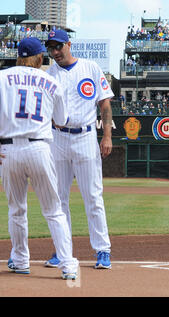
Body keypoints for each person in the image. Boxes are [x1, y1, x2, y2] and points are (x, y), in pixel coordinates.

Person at [0, 37, 79, 279]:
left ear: (18, 56)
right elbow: (62, 120)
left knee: (16, 210)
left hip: (9, 150)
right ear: (39, 58)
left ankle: (21, 259)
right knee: (54, 210)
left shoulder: (2, 77)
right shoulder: (51, 81)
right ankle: (68, 265)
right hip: (39, 148)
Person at [44, 30, 113, 269]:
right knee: (58, 199)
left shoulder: (90, 67)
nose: (55, 52)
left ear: (68, 44)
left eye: (58, 47)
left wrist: (107, 136)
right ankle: (62, 252)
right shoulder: (49, 74)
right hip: (57, 139)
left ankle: (103, 250)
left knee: (93, 197)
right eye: (51, 48)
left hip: (85, 136)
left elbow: (104, 103)